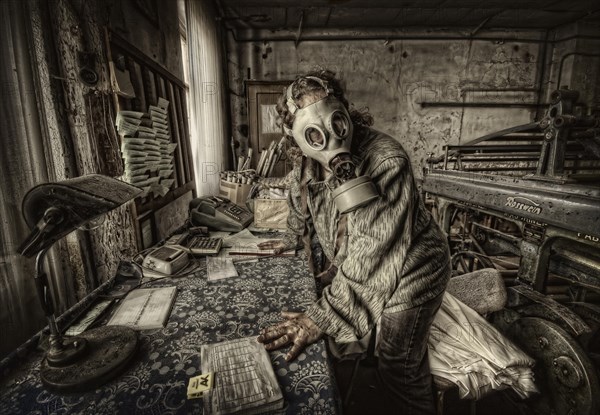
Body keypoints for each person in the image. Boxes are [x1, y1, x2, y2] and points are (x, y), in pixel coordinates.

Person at [257, 70, 451, 414]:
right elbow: (299, 201)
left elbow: (372, 252)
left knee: (399, 365)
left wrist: (319, 318)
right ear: (293, 134)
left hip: (414, 271)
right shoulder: (306, 162)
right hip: (364, 260)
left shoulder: (386, 160)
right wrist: (289, 236)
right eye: (313, 134)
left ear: (346, 113)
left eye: (336, 123)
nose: (330, 140)